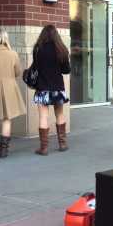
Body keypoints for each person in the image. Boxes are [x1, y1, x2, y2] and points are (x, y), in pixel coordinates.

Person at [0, 29, 26, 159]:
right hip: (9, 88)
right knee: (7, 118)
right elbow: (18, 72)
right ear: (6, 39)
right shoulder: (12, 54)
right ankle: (3, 151)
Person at [33, 25, 71, 156]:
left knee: (43, 116)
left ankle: (43, 148)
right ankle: (63, 144)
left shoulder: (38, 49)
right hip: (57, 88)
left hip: (42, 87)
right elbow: (67, 70)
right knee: (59, 114)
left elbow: (35, 67)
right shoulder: (61, 49)